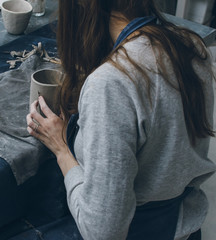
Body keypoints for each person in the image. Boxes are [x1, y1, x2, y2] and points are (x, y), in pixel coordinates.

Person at [26, 0, 216, 239]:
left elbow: (102, 232)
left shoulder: (111, 83)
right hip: (185, 224)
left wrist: (62, 149)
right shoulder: (191, 45)